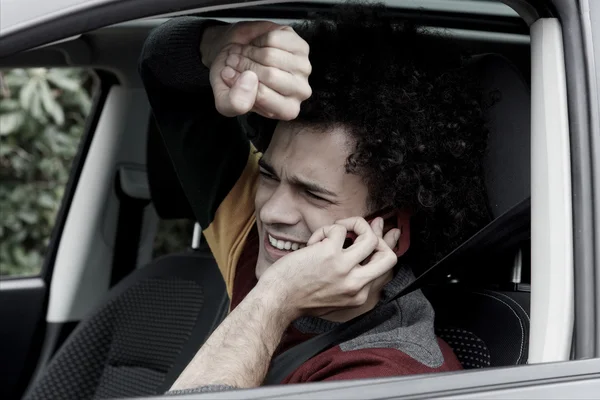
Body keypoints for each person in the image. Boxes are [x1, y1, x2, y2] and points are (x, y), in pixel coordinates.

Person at [138, 3, 490, 394]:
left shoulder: (392, 372)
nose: (271, 211)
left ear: (390, 227)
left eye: (313, 194)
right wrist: (223, 46)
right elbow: (159, 62)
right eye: (269, 176)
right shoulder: (253, 245)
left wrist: (276, 298)